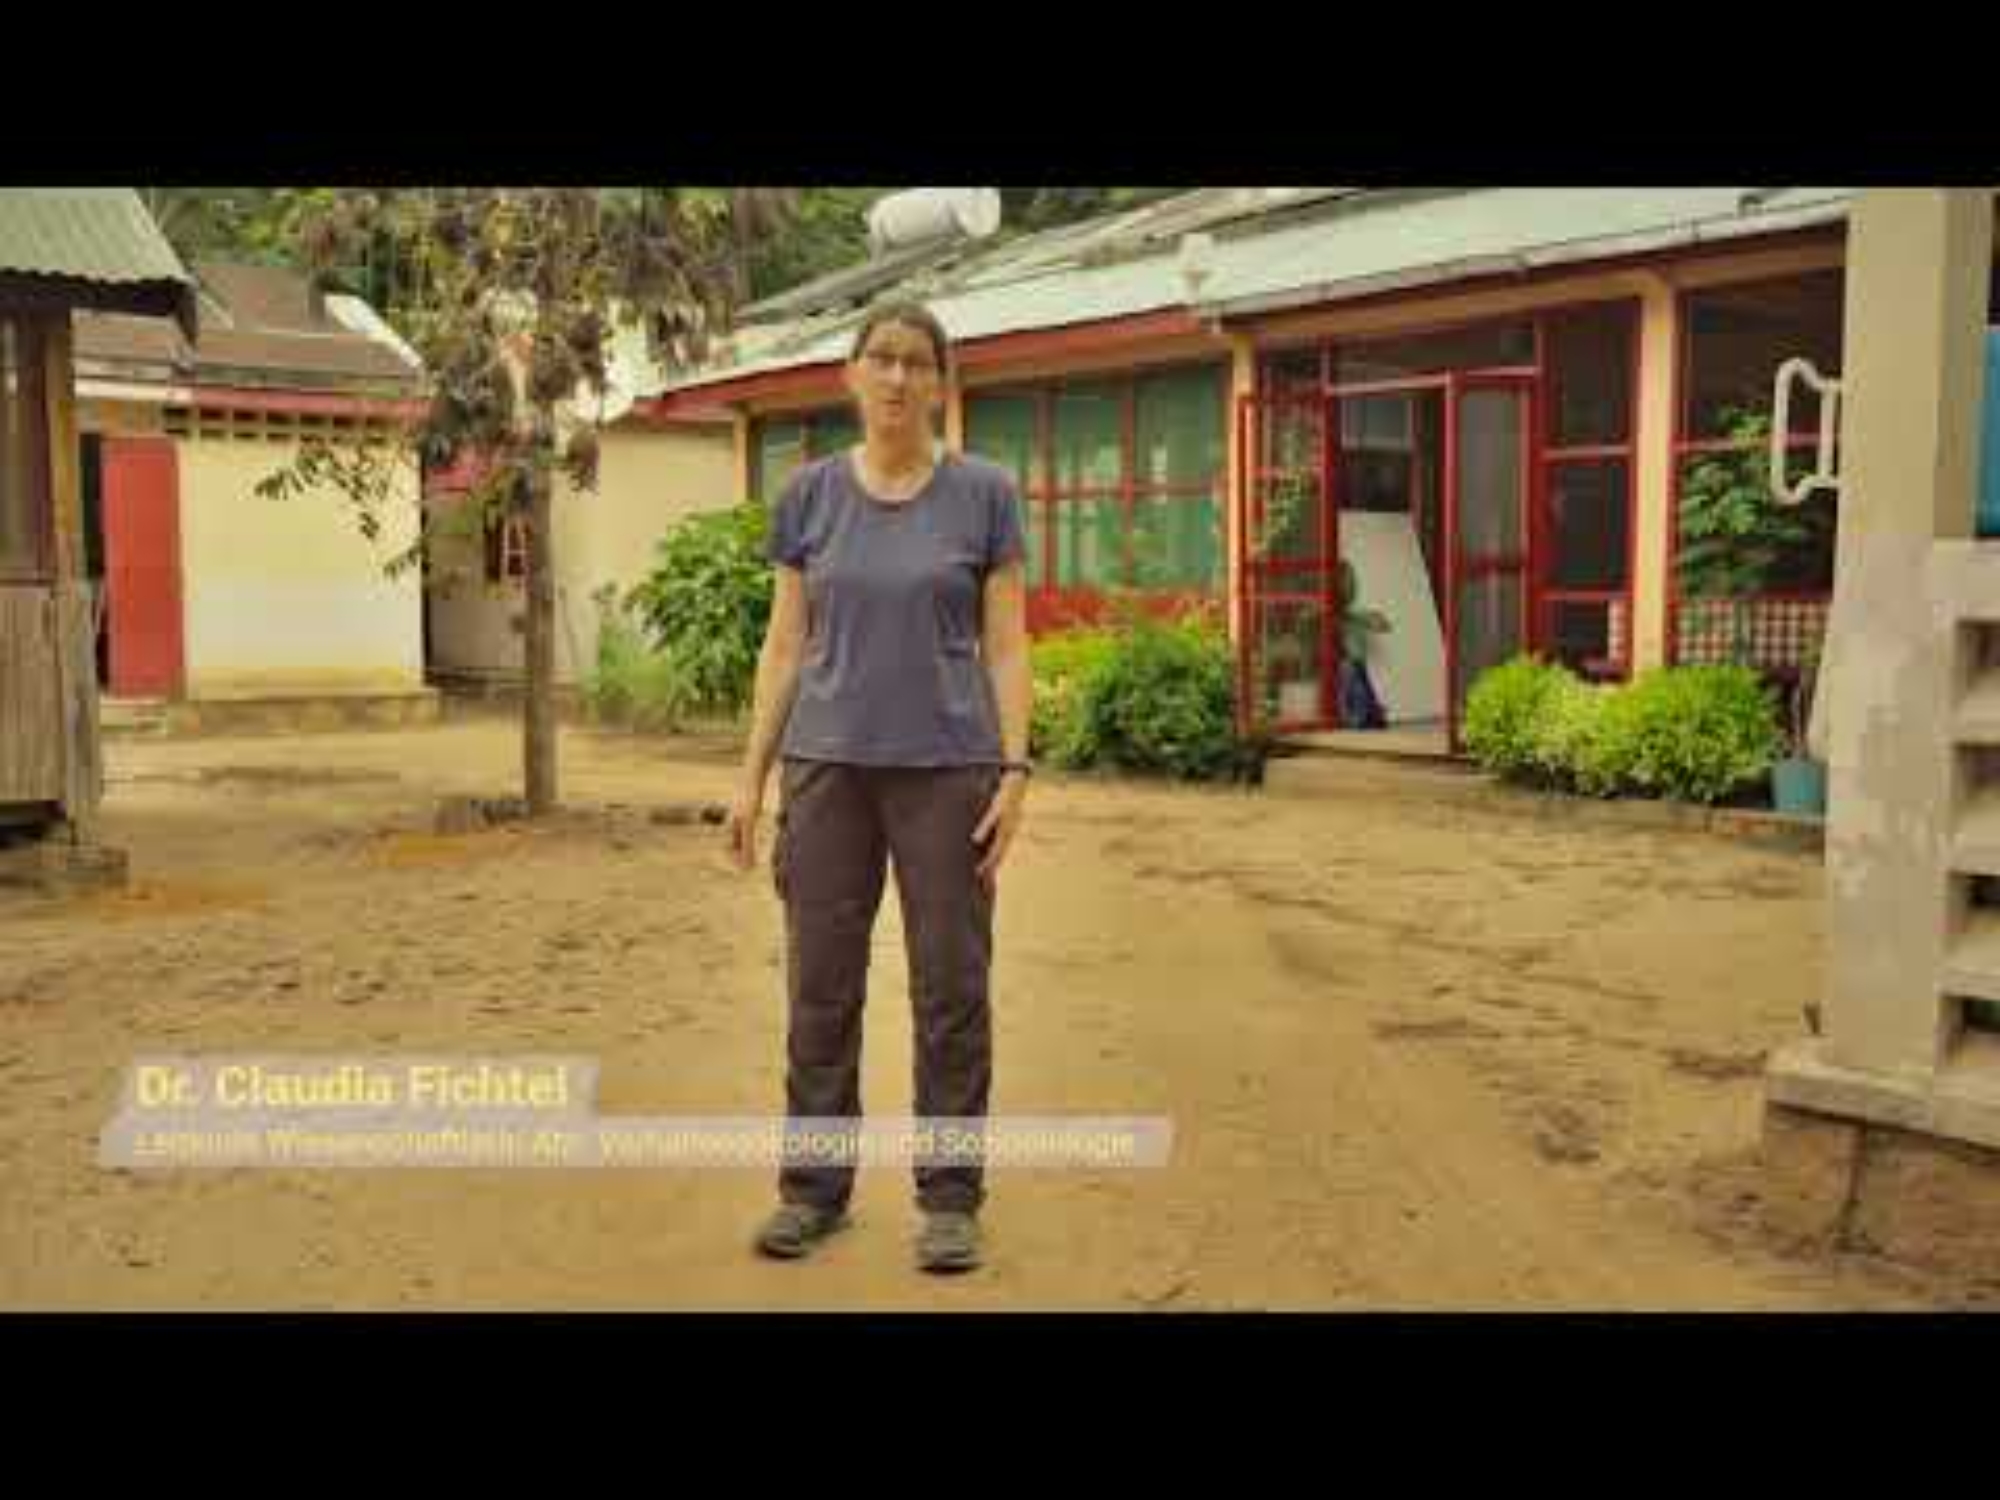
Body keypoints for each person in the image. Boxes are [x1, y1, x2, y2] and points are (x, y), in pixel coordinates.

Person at [726, 300, 1032, 1275]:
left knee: (951, 990)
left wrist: (1015, 770)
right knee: (820, 989)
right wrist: (750, 781)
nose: (897, 377)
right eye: (881, 359)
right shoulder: (808, 496)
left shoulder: (984, 494)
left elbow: (1006, 644)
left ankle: (949, 1199)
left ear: (940, 383)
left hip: (948, 774)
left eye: (916, 362)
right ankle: (812, 1191)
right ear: (851, 375)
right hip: (827, 776)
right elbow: (785, 645)